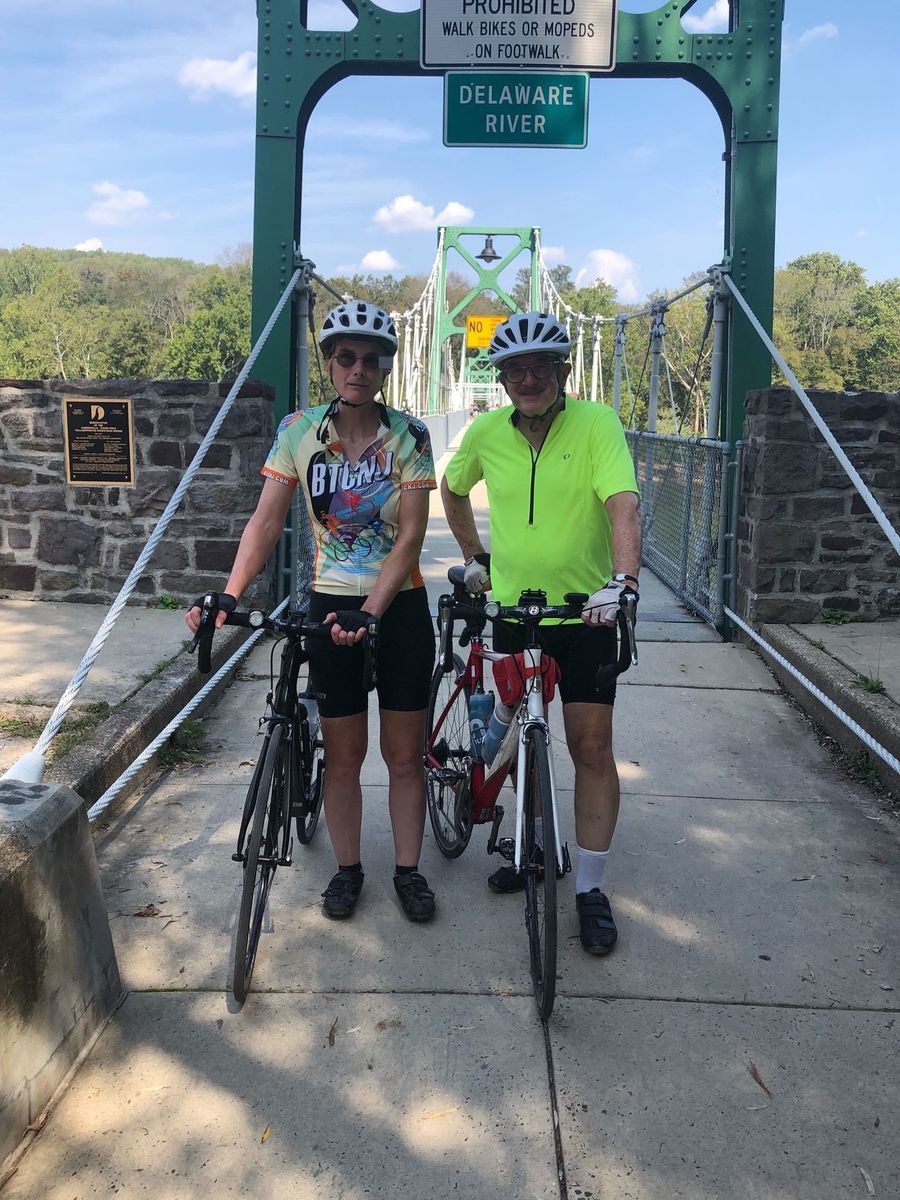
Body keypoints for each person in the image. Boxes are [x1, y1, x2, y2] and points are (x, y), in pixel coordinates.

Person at [187, 299, 438, 923]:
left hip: (398, 608)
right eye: (345, 357)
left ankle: (408, 871)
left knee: (404, 756)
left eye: (371, 360)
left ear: (384, 369)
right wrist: (230, 593)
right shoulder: (299, 432)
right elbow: (265, 521)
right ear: (329, 364)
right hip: (330, 605)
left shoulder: (409, 436)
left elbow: (409, 536)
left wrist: (371, 612)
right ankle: (348, 871)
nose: (358, 369)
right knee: (344, 755)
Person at [440, 311, 641, 956]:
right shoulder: (485, 432)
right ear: (501, 379)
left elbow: (623, 504)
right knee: (515, 744)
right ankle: (533, 846)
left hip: (585, 616)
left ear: (563, 371)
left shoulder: (597, 423)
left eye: (540, 368)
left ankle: (590, 887)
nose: (527, 379)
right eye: (514, 370)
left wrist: (624, 582)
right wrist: (474, 557)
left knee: (591, 746)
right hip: (511, 614)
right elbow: (451, 487)